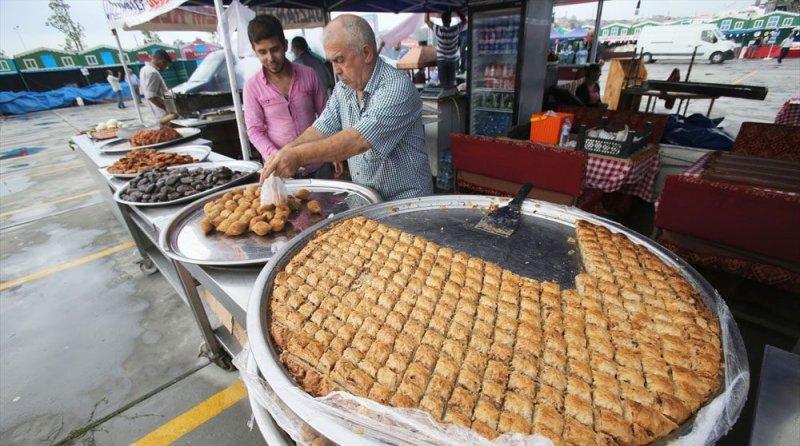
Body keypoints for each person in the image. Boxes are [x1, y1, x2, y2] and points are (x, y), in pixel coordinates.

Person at [260, 14, 433, 201]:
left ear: (366, 53)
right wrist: (285, 151)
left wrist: (298, 156)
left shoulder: (396, 87)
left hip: (405, 202)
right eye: (332, 62)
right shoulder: (344, 88)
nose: (336, 70)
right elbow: (322, 127)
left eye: (340, 60)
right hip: (367, 198)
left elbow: (358, 140)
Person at [244, 15, 338, 179]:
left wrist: (333, 151)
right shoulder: (252, 87)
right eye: (262, 52)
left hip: (318, 163)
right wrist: (276, 156)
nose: (270, 58)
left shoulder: (309, 74)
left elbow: (326, 115)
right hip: (282, 171)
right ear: (254, 50)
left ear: (285, 45)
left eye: (275, 49)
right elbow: (254, 130)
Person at [425, 9, 466, 88]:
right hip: (452, 59)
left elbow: (426, 21)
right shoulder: (455, 29)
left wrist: (427, 9)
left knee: (443, 83)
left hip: (441, 60)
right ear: (450, 20)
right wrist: (458, 10)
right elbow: (464, 21)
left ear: (442, 20)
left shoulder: (438, 29)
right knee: (451, 83)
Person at [139, 49, 171, 119]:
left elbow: (161, 91)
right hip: (162, 113)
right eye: (166, 66)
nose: (165, 68)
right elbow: (152, 97)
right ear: (162, 62)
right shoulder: (153, 73)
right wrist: (169, 109)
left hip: (157, 111)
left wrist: (174, 97)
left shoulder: (144, 69)